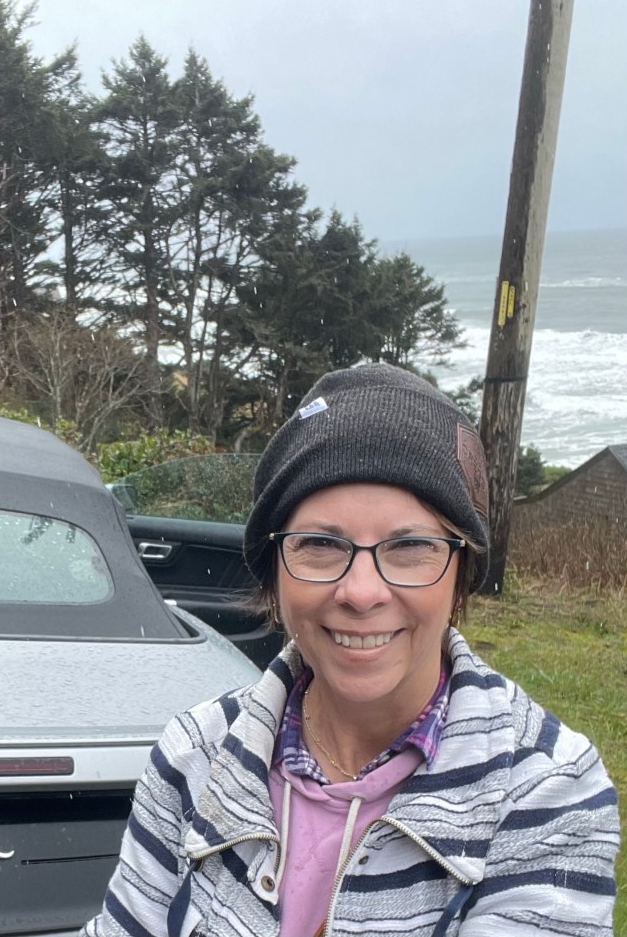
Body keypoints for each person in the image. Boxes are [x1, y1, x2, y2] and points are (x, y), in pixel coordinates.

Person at [83, 363, 620, 937]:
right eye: (320, 544)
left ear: (461, 573)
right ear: (273, 572)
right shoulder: (197, 752)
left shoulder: (548, 790)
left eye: (410, 547)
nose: (361, 593)